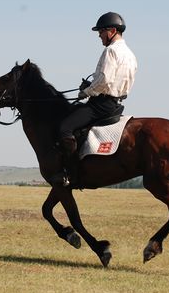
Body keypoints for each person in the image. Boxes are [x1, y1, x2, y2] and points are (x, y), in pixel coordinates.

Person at [52, 12, 138, 186]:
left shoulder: (110, 51)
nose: (99, 35)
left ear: (112, 30)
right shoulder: (130, 54)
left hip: (101, 104)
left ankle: (71, 174)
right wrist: (92, 86)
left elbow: (104, 81)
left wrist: (86, 91)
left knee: (65, 127)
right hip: (116, 103)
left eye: (101, 32)